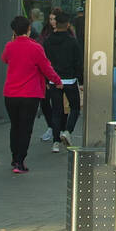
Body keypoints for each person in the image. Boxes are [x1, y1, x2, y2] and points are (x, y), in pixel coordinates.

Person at [3, 15, 61, 174]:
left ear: (14, 30)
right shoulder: (36, 48)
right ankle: (20, 161)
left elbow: (5, 59)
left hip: (11, 93)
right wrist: (57, 81)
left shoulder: (10, 46)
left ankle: (15, 157)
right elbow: (46, 67)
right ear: (29, 29)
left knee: (15, 126)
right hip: (30, 94)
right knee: (26, 128)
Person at [40, 10, 83, 151]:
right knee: (75, 107)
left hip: (54, 81)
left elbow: (45, 62)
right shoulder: (72, 42)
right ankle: (68, 131)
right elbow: (78, 62)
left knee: (56, 111)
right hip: (70, 80)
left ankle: (55, 142)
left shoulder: (48, 41)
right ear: (68, 24)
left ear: (55, 24)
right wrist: (80, 80)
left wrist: (47, 79)